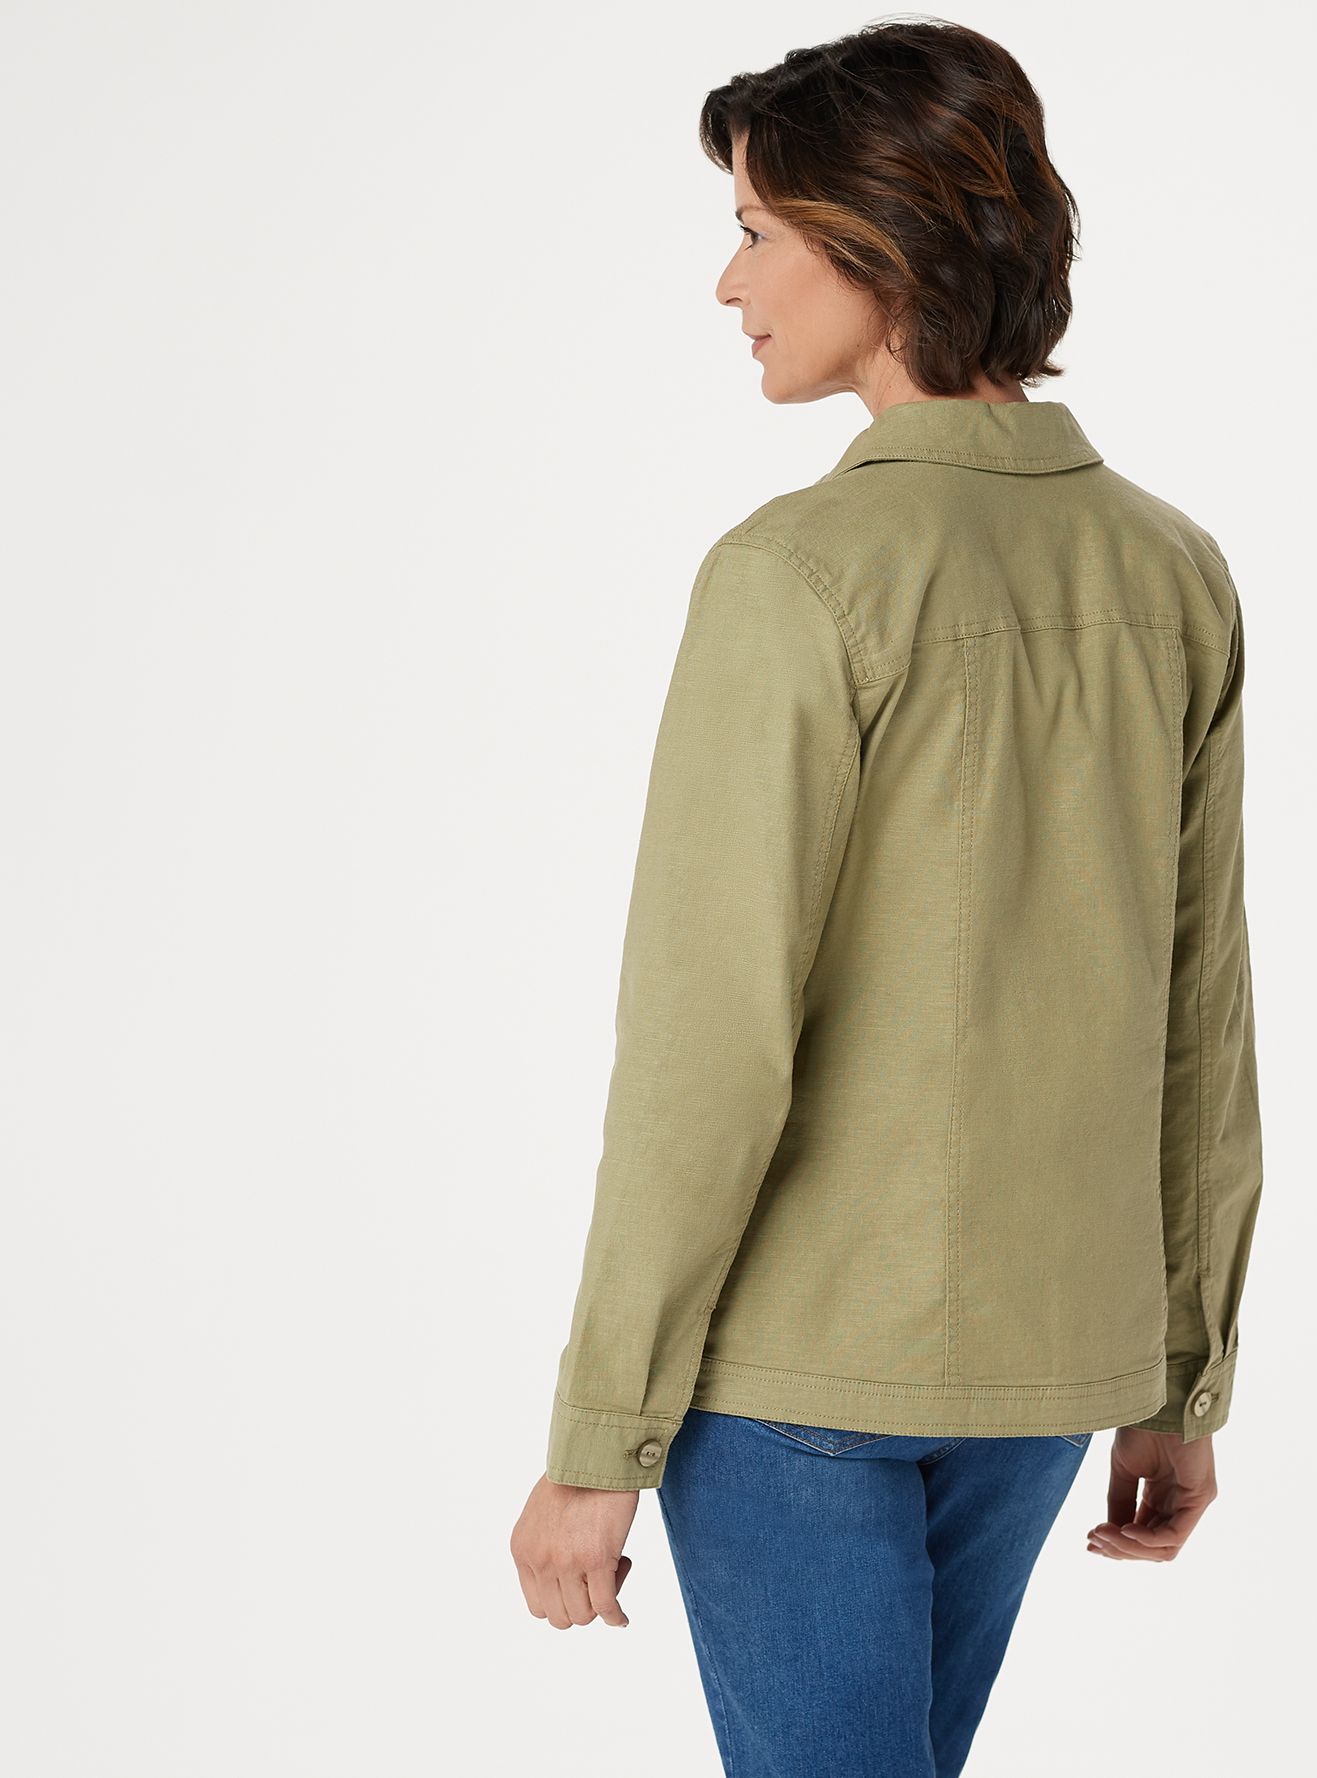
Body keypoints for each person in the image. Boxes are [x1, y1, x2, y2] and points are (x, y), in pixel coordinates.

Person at [510, 19, 1265, 1775]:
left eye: (759, 229)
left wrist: (599, 1435)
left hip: (801, 1379)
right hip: (1048, 1373)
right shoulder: (1170, 570)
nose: (729, 280)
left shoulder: (796, 575)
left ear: (886, 239)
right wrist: (1182, 1371)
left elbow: (706, 1047)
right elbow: (1199, 1013)